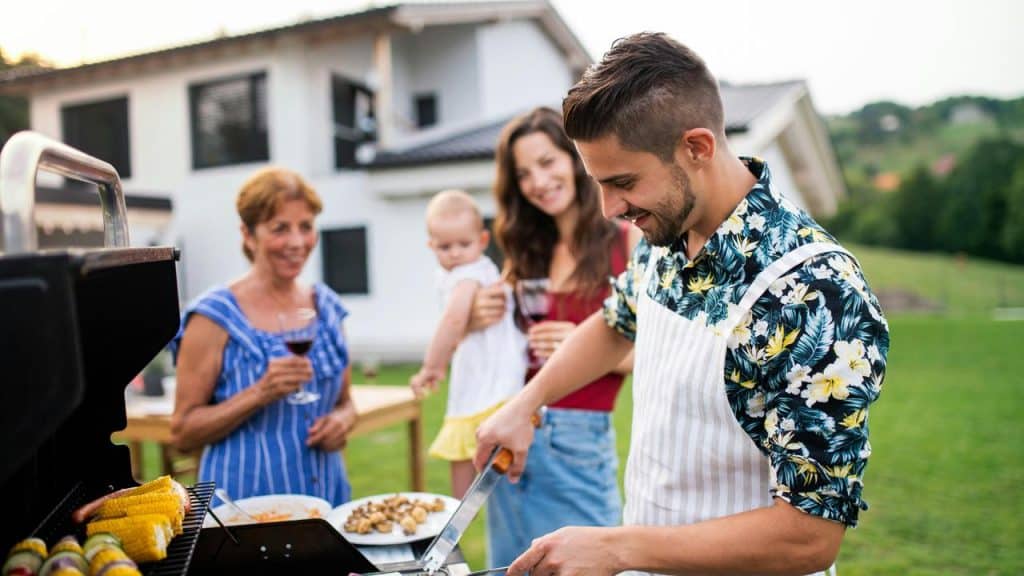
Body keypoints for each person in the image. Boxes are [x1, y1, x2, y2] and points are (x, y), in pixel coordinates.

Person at [474, 33, 890, 576]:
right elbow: (615, 324)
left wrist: (619, 549)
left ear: (696, 147)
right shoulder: (666, 237)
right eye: (598, 183)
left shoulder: (815, 292)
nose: (609, 208)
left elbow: (808, 536)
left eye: (622, 182)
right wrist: (524, 404)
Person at [467, 106, 640, 568]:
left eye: (547, 162)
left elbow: (660, 353)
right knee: (513, 565)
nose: (538, 182)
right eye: (524, 174)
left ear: (576, 159)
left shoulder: (626, 241)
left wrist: (582, 345)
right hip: (514, 434)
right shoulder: (526, 252)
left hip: (578, 441)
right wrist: (476, 316)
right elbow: (498, 341)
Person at [170, 167, 357, 505]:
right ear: (247, 233)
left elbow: (346, 402)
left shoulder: (326, 306)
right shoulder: (214, 316)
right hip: (244, 512)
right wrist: (260, 393)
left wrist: (342, 422)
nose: (297, 242)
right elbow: (183, 432)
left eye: (305, 227)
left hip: (329, 504)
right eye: (279, 229)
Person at [410, 189, 528, 499]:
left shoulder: (467, 274)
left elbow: (453, 320)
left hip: (486, 375)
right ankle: (463, 509)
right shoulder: (482, 267)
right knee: (473, 443)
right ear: (430, 245)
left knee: (463, 443)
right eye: (445, 246)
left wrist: (431, 367)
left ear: (483, 240)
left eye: (464, 244)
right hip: (499, 370)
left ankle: (456, 511)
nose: (456, 253)